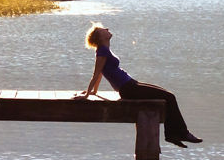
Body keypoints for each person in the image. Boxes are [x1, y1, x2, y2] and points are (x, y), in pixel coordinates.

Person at [74, 23, 203, 148]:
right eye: (103, 29)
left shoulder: (105, 49)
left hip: (131, 84)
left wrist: (93, 92)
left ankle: (173, 134)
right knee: (169, 97)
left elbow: (101, 73)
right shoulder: (102, 51)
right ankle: (180, 133)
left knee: (168, 96)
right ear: (100, 36)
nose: (107, 28)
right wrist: (87, 95)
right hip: (128, 89)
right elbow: (96, 74)